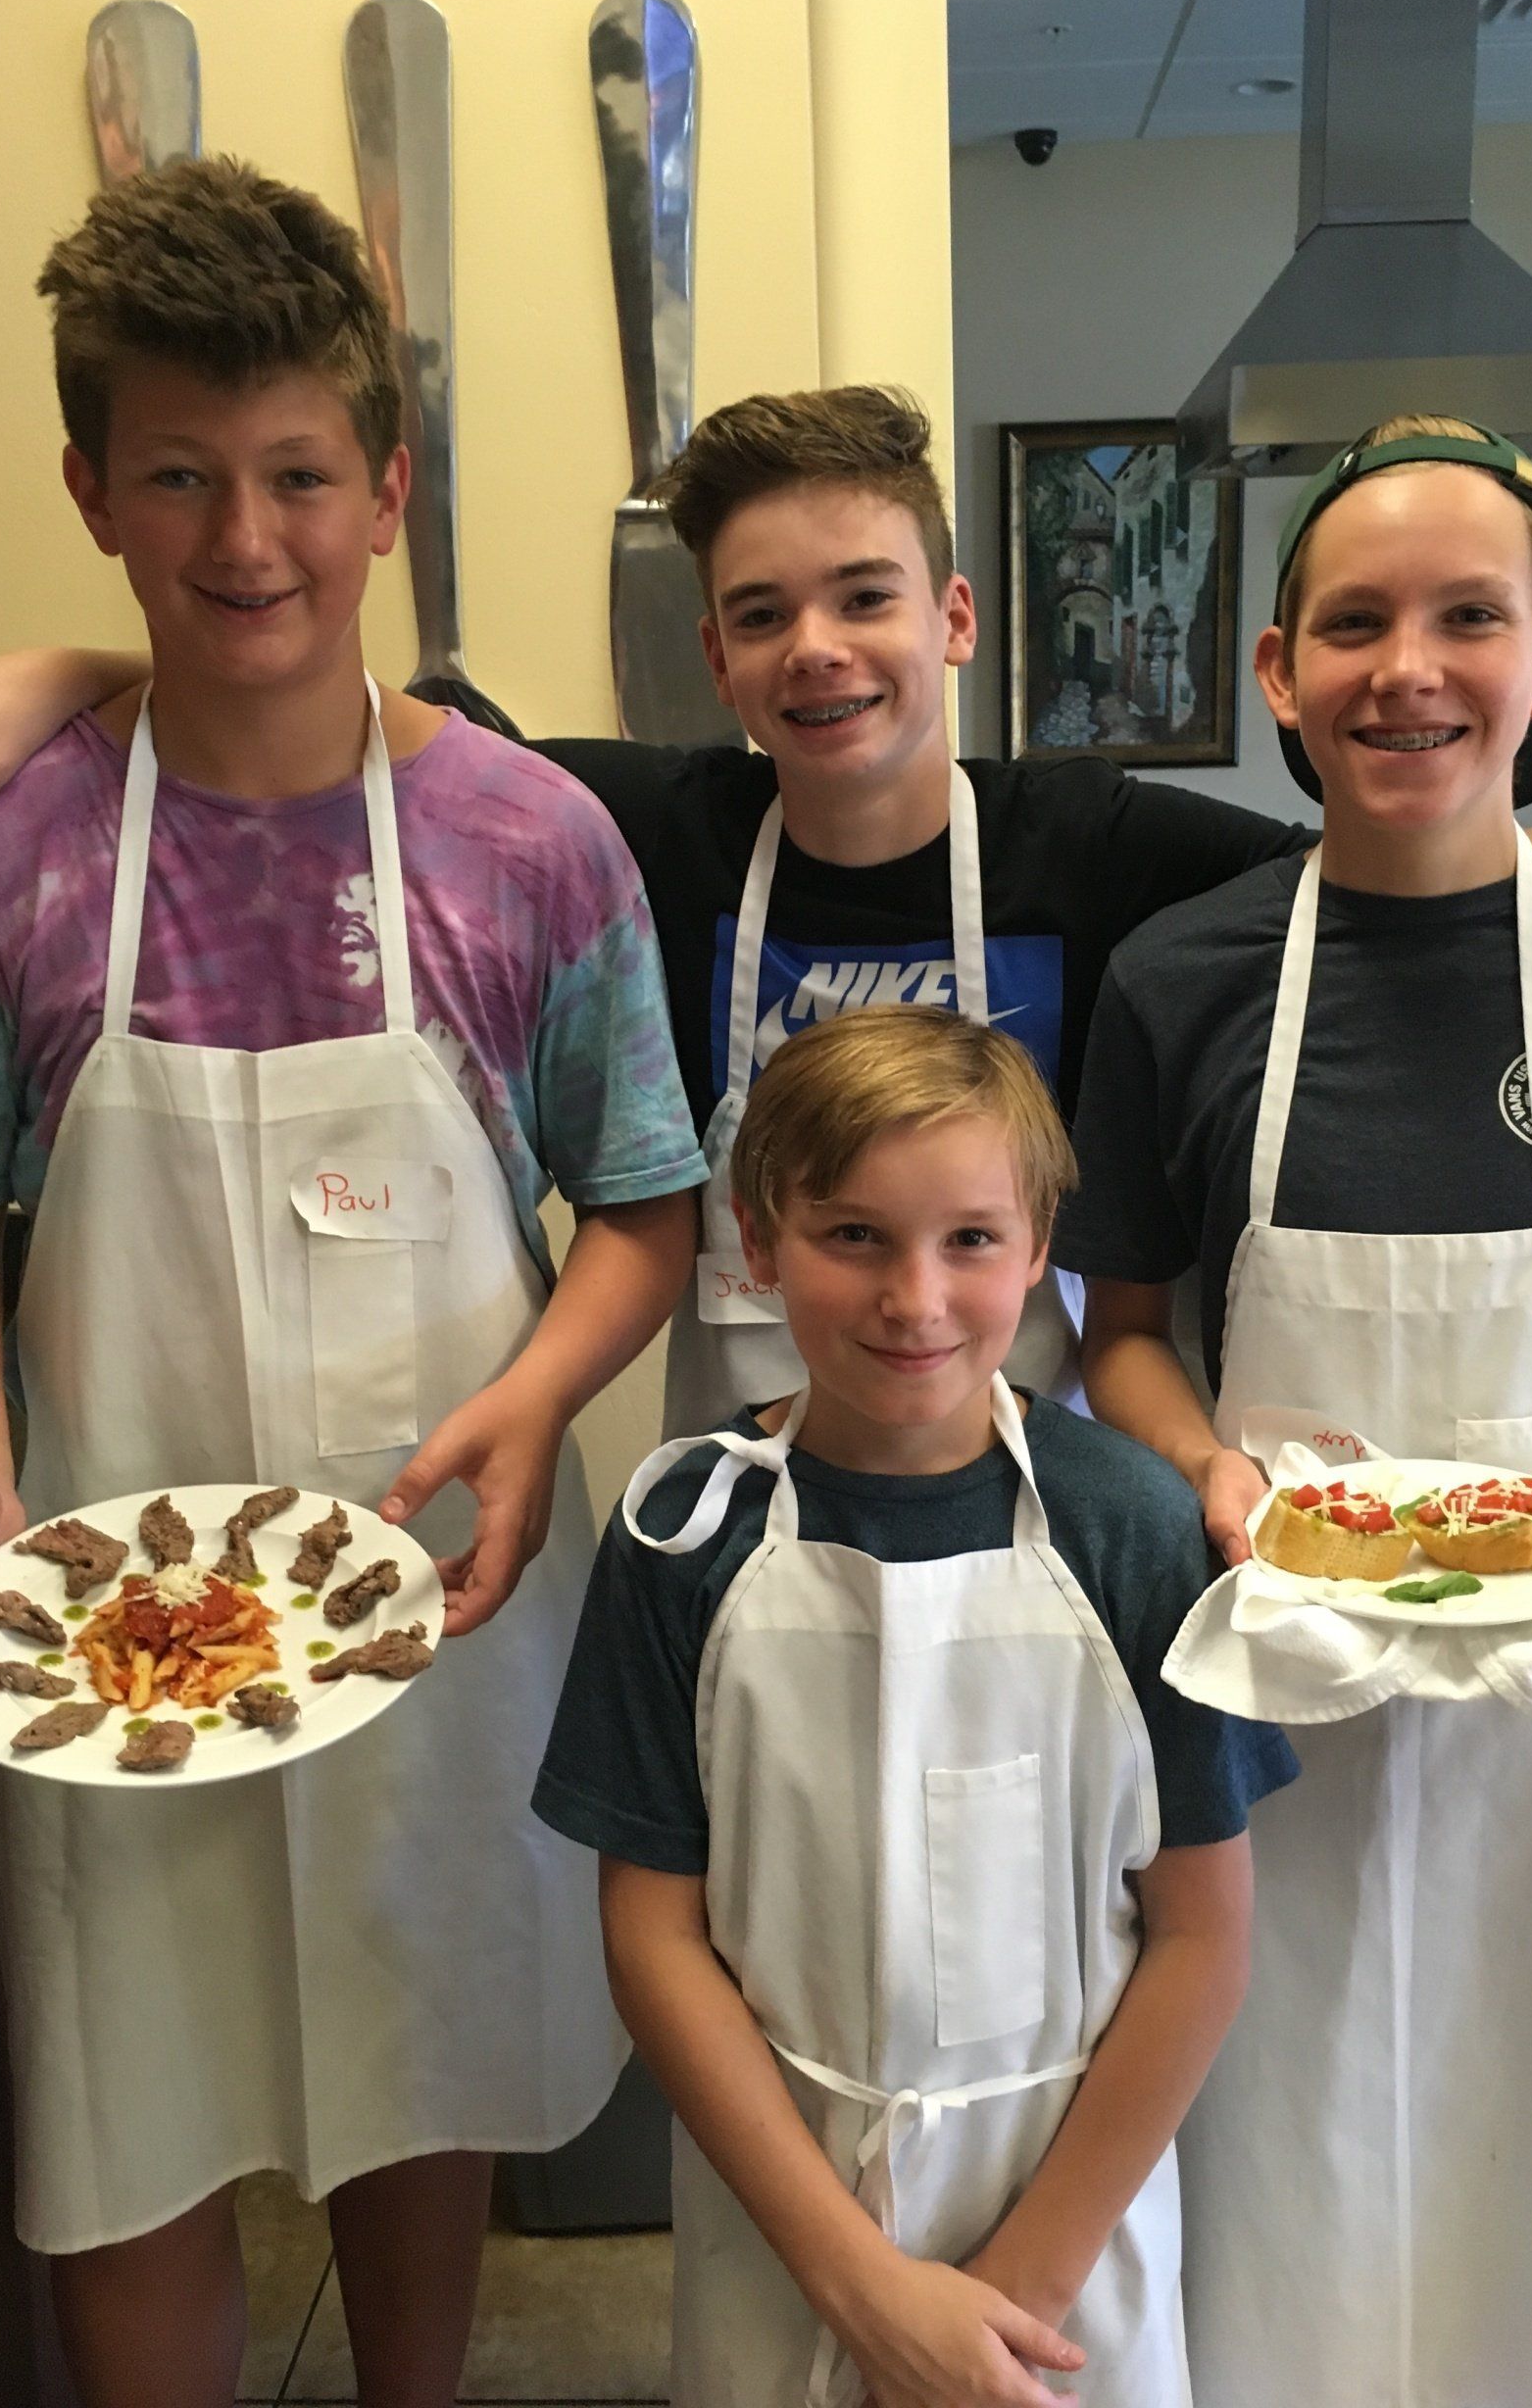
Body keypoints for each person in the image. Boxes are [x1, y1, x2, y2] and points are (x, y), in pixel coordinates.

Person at [0, 392, 1532, 1452]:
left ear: (953, 622)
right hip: (743, 1471)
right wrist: (74, 670)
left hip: (1032, 1468)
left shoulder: (1098, 846)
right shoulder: (640, 826)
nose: (819, 651)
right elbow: (322, 705)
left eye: (866, 596)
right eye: (762, 614)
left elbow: (1403, 834)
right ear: (715, 657)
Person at [0, 159, 706, 2408]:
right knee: (120, 2087)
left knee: (411, 2034)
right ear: (91, 490)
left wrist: (537, 1396)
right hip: (93, 1607)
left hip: (426, 1579)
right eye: (179, 476)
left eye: (296, 476)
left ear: (387, 489)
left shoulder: (530, 841)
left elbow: (645, 1200)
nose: (244, 538)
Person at [1055, 414, 1532, 2408]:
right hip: (1278, 1670)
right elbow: (1123, 1328)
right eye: (1355, 622)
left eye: (1472, 617)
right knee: (1288, 2156)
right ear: (1278, 671)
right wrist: (1206, 1469)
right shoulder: (1180, 973)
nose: (1412, 669)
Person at [531, 1005, 1298, 2406]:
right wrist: (860, 2288)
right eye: (855, 1235)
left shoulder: (1137, 1531)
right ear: (758, 1241)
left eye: (971, 1240)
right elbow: (652, 1935)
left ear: (1041, 1247)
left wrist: (1023, 2290)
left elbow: (1204, 1937)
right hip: (789, 2215)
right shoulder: (680, 1539)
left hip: (1069, 2216)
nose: (916, 1300)